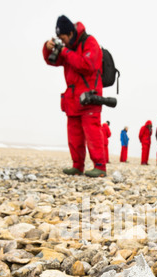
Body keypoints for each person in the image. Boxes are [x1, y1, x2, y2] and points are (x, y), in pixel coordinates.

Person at [43, 15, 106, 177]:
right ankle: (77, 166)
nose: (62, 42)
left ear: (70, 33)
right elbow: (52, 61)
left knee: (92, 133)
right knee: (74, 135)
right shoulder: (67, 47)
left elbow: (87, 65)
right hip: (72, 99)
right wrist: (48, 48)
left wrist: (65, 51)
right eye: (59, 40)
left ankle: (100, 167)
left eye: (63, 38)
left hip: (89, 97)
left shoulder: (89, 42)